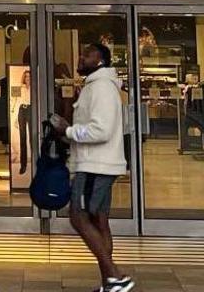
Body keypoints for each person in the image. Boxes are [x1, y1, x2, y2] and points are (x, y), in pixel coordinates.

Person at [52, 41, 132, 292]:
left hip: (95, 165)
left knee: (78, 216)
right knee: (98, 221)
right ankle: (110, 282)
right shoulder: (96, 87)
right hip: (99, 164)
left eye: (87, 54)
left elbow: (101, 129)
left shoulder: (101, 89)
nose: (81, 57)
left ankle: (115, 276)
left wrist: (69, 130)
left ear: (100, 61)